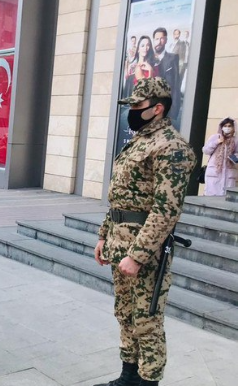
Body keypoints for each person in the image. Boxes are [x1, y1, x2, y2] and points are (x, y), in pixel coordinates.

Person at [93, 77, 195, 386]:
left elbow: (166, 210)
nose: (132, 111)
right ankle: (128, 377)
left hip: (145, 252)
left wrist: (137, 255)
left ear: (158, 109)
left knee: (147, 321)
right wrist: (103, 236)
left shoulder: (172, 147)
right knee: (124, 314)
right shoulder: (139, 141)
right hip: (118, 242)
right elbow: (119, 198)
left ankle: (148, 381)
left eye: (138, 106)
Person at [202, 117, 237, 196]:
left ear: (233, 128)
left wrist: (232, 157)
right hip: (214, 172)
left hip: (229, 173)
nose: (227, 128)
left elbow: (237, 155)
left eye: (229, 126)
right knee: (211, 196)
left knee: (225, 197)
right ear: (221, 127)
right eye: (225, 126)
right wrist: (217, 142)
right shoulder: (215, 137)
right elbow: (205, 150)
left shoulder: (235, 140)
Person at [152, 27, 181, 120]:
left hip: (166, 111)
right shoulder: (148, 60)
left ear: (166, 40)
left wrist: (174, 112)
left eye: (162, 38)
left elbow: (176, 85)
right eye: (156, 39)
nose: (159, 42)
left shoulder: (173, 58)